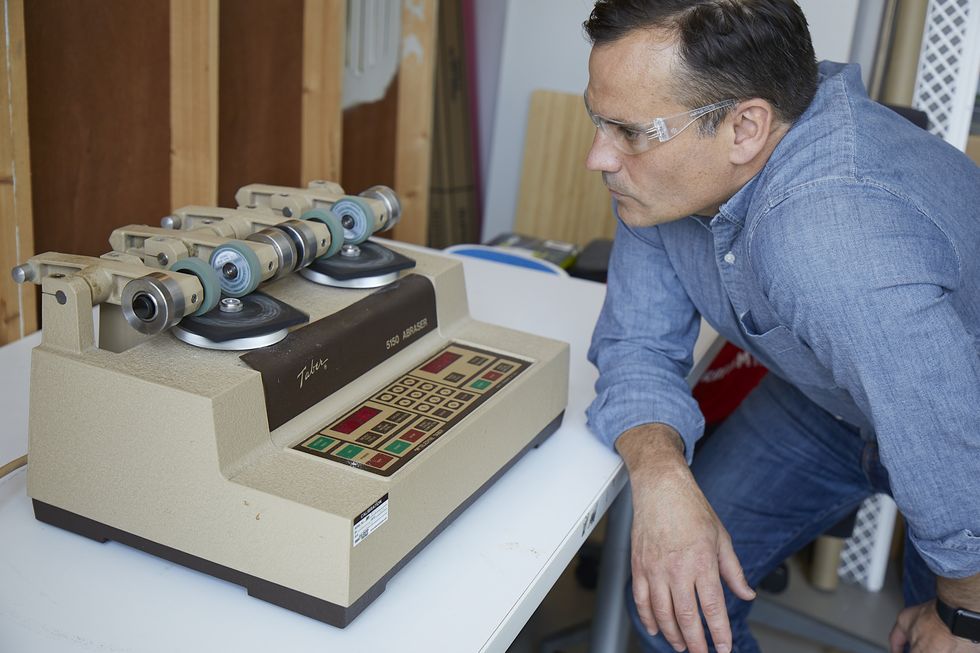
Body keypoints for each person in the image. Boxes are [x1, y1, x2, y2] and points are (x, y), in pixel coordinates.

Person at [581, 1, 980, 652]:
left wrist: (967, 615)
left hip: (967, 430)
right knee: (676, 604)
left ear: (744, 128)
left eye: (630, 131)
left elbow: (953, 446)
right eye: (599, 120)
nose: (600, 156)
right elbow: (636, 344)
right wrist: (660, 472)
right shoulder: (657, 188)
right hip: (831, 401)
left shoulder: (829, 241)